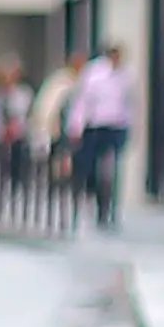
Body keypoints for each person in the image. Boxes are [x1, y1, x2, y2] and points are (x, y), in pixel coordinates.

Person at [56, 39, 133, 223]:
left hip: (115, 127)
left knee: (110, 170)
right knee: (90, 168)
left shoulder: (127, 75)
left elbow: (130, 104)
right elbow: (82, 101)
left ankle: (106, 211)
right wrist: (75, 126)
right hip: (95, 126)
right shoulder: (94, 73)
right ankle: (88, 201)